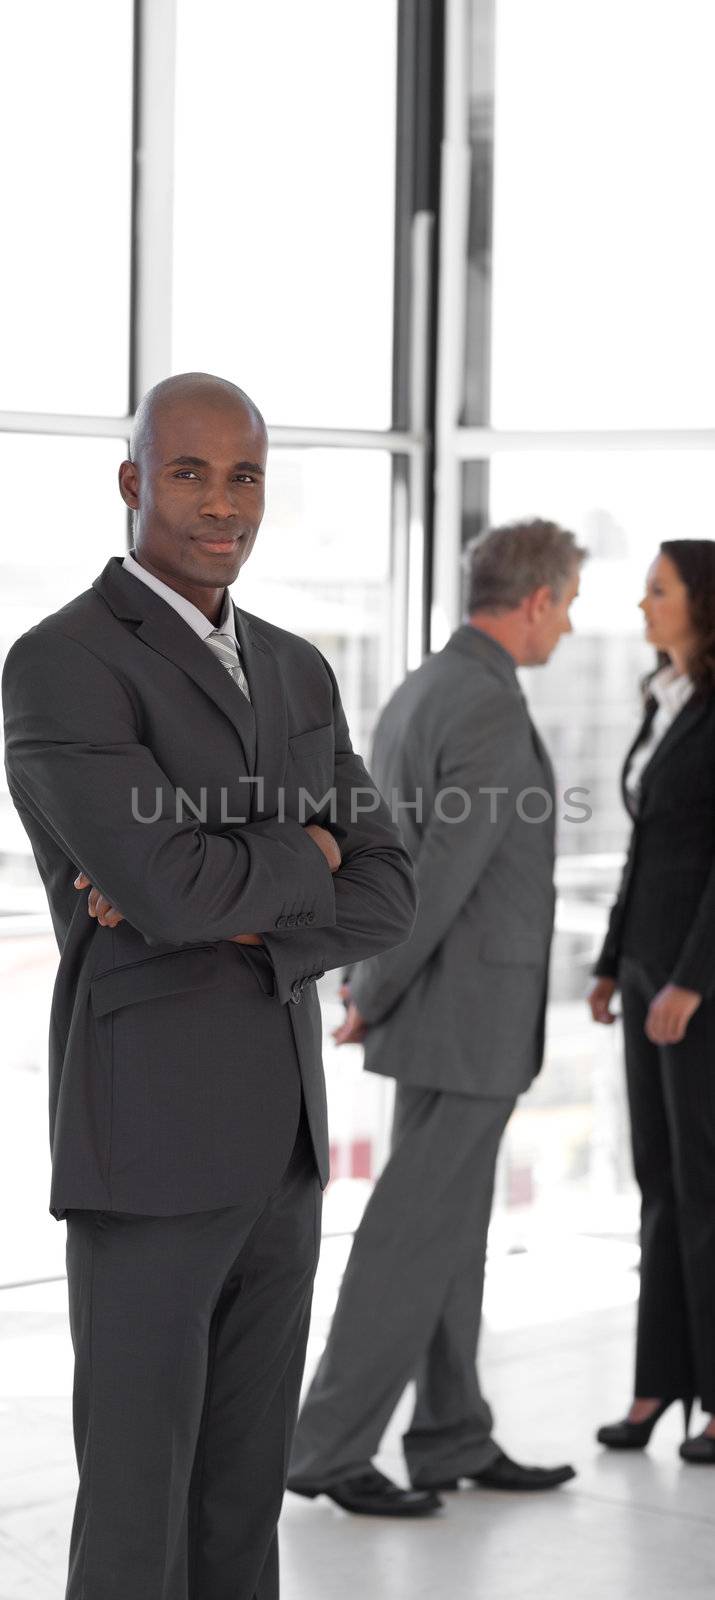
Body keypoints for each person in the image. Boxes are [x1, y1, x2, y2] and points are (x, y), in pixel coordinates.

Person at [1, 371, 417, 1600]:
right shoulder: (63, 663)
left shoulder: (295, 667)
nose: (220, 502)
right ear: (132, 481)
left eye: (243, 475)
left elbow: (388, 887)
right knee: (138, 1510)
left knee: (242, 1503)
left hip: (284, 1146)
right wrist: (306, 852)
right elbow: (172, 890)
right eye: (187, 472)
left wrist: (242, 888)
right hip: (150, 1140)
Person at [287, 519, 583, 1518]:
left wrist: (376, 986)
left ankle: (451, 1429)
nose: (570, 625)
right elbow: (435, 877)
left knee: (447, 1229)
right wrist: (369, 991)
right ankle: (325, 1446)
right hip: (463, 1016)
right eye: (570, 603)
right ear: (536, 599)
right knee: (413, 1236)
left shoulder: (426, 686)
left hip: (434, 1011)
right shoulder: (488, 706)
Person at [589, 539, 715, 1465]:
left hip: (694, 982)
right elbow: (645, 850)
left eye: (656, 591)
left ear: (702, 604)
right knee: (657, 1181)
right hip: (642, 967)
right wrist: (608, 962)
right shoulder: (661, 696)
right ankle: (656, 1381)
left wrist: (690, 978)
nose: (641, 605)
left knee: (706, 1185)